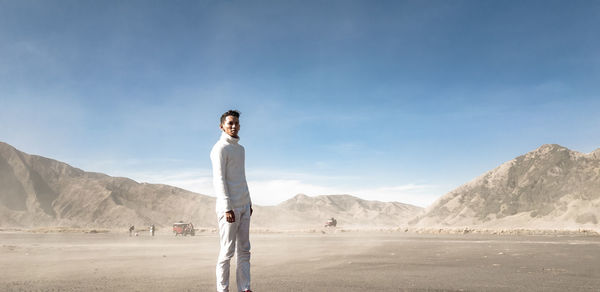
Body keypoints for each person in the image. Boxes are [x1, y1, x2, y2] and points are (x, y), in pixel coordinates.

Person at [211, 110, 253, 292]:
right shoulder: (219, 148)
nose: (234, 126)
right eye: (230, 123)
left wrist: (249, 202)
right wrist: (227, 207)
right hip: (228, 208)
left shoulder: (240, 149)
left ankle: (244, 288)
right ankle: (223, 289)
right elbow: (219, 179)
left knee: (244, 250)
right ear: (222, 126)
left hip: (243, 206)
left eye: (236, 123)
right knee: (227, 251)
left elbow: (241, 177)